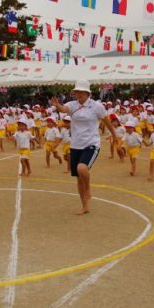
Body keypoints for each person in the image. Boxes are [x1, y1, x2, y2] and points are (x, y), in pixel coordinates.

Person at [51, 79, 117, 215]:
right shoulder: (72, 105)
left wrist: (114, 135)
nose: (79, 94)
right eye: (77, 92)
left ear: (88, 93)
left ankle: (88, 189)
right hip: (76, 144)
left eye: (82, 92)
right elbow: (64, 109)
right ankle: (85, 206)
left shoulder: (96, 106)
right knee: (79, 178)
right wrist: (57, 105)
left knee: (82, 168)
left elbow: (106, 121)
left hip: (91, 143)